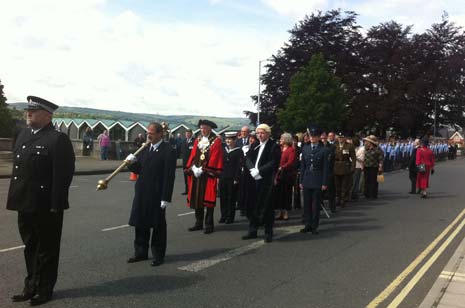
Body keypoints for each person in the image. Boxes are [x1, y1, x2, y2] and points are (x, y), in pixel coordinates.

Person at [7, 96, 75, 306]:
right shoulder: (22, 133)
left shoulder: (57, 139)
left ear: (47, 116)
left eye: (33, 111)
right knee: (30, 246)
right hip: (24, 202)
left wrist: (57, 204)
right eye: (28, 110)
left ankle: (45, 289)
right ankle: (30, 286)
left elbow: (63, 176)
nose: (28, 114)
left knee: (47, 250)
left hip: (46, 205)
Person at [124, 122, 177, 267]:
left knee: (158, 225)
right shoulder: (145, 148)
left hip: (157, 193)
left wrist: (166, 197)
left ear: (160, 134)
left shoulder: (168, 151)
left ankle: (158, 255)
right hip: (142, 191)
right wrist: (131, 163)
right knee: (140, 222)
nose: (149, 135)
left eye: (152, 133)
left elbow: (169, 176)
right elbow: (140, 169)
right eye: (148, 132)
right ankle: (140, 252)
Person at [242, 124, 281, 243]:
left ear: (268, 133)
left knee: (267, 207)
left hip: (266, 180)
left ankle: (268, 232)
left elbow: (274, 162)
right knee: (253, 205)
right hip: (253, 179)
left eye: (262, 133)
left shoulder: (273, 146)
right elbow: (247, 158)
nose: (260, 135)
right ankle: (252, 230)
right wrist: (252, 169)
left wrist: (260, 171)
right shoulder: (254, 144)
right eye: (258, 133)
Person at [185, 120, 223, 234]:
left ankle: (209, 225)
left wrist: (204, 169)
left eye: (205, 128)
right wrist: (193, 167)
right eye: (201, 128)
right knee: (197, 199)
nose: (202, 130)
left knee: (208, 200)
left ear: (210, 128)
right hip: (197, 173)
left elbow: (215, 157)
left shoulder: (216, 141)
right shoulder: (198, 139)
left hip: (207, 175)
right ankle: (198, 223)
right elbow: (193, 155)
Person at [300, 127, 328, 234]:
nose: (312, 138)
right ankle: (307, 224)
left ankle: (314, 226)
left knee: (315, 205)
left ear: (318, 137)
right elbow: (303, 166)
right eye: (311, 136)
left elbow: (326, 168)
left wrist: (324, 182)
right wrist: (301, 181)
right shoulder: (305, 148)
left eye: (314, 136)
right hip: (307, 179)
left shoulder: (324, 149)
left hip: (318, 179)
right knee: (306, 204)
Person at [219, 132, 242, 224]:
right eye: (227, 139)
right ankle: (223, 216)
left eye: (230, 139)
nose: (228, 141)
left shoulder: (239, 151)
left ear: (235, 140)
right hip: (223, 177)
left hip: (232, 178)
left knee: (231, 198)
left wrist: (236, 178)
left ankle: (230, 217)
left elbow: (239, 166)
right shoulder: (223, 149)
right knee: (223, 198)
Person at [273, 133, 297, 221]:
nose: (280, 140)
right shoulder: (279, 149)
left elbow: (290, 162)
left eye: (281, 138)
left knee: (286, 193)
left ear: (286, 140)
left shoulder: (291, 150)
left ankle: (286, 212)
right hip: (278, 175)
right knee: (279, 194)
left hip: (286, 175)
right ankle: (280, 211)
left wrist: (282, 167)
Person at [333, 132, 356, 207]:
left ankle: (343, 199)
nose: (340, 139)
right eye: (339, 137)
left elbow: (353, 158)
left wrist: (353, 167)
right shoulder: (334, 145)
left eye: (342, 137)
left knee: (344, 185)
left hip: (345, 167)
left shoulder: (350, 146)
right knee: (337, 185)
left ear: (345, 138)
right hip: (336, 167)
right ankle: (338, 198)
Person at [363, 135, 384, 199]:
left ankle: (373, 194)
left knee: (373, 181)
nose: (366, 142)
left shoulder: (377, 149)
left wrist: (380, 166)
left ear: (371, 142)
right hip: (366, 166)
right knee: (367, 180)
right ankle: (367, 194)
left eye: (367, 141)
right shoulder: (365, 148)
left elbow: (381, 158)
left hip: (374, 167)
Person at [180, 128, 194, 195]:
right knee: (185, 176)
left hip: (192, 163)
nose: (187, 135)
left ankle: (192, 190)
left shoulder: (194, 141)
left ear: (191, 134)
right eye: (186, 133)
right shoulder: (183, 141)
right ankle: (187, 190)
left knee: (192, 177)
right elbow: (181, 150)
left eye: (188, 133)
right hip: (185, 162)